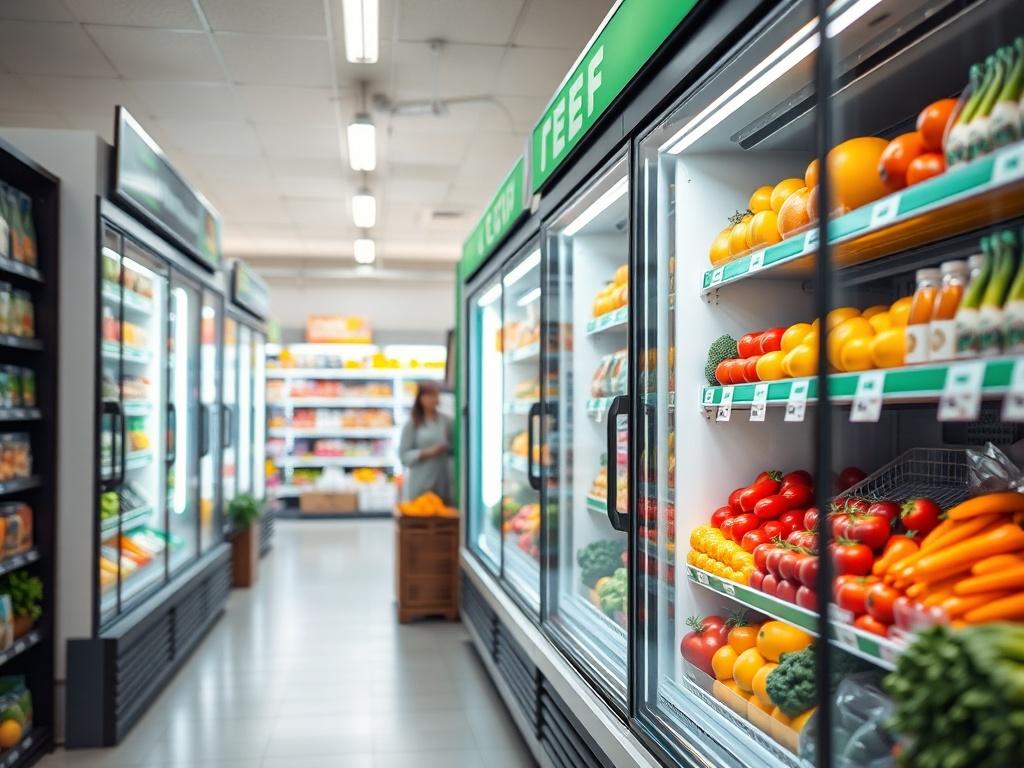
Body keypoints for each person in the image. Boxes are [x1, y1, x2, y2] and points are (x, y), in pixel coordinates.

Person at [399, 381, 453, 503]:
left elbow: (455, 448)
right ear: (420, 399)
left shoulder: (447, 422)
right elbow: (403, 456)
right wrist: (426, 453)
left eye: (434, 395)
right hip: (420, 482)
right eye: (428, 395)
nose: (432, 399)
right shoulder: (412, 424)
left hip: (442, 482)